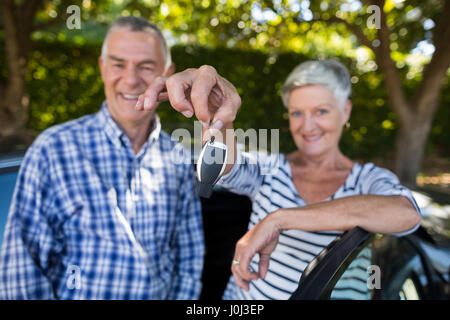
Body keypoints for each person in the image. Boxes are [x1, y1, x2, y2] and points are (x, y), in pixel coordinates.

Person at [143, 59, 422, 300]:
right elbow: (226, 166)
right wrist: (219, 118)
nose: (307, 125)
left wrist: (279, 219)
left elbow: (405, 213)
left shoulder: (367, 180)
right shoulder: (273, 167)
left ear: (345, 111)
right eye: (297, 113)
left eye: (321, 111)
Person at [0, 16, 208, 299]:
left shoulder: (179, 159)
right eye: (118, 64)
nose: (131, 79)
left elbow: (188, 259)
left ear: (168, 73)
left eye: (146, 67)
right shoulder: (53, 150)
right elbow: (21, 269)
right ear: (102, 68)